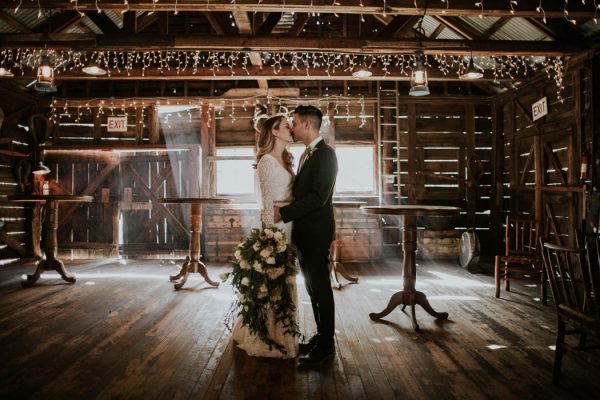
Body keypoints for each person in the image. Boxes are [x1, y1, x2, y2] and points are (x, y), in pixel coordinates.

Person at [274, 105, 338, 366]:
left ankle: (326, 345)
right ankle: (320, 337)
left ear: (308, 125)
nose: (292, 127)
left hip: (317, 233)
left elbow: (318, 197)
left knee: (321, 288)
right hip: (305, 233)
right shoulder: (306, 155)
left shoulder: (326, 155)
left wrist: (284, 213)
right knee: (312, 288)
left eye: (295, 123)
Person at [231, 114, 299, 358]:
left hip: (291, 224)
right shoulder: (266, 162)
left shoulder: (287, 159)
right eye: (285, 126)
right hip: (276, 229)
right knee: (273, 281)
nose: (290, 128)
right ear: (274, 132)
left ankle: (283, 332)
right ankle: (266, 336)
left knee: (286, 281)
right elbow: (267, 203)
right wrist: (270, 240)